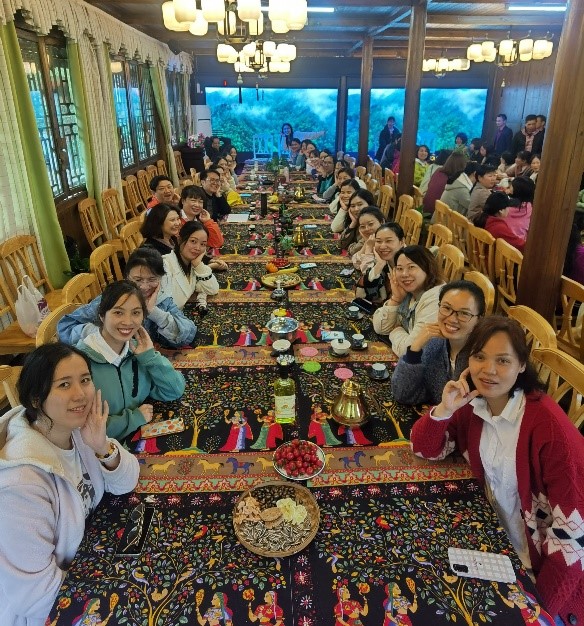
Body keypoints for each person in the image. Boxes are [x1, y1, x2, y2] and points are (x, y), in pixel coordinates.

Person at [410, 316, 584, 624]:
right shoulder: (475, 404)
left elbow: (572, 542)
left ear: (521, 366)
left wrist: (536, 612)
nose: (488, 370)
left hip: (540, 572)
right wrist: (445, 409)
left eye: (502, 360)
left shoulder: (550, 431)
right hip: (493, 540)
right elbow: (426, 448)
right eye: (479, 356)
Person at [0, 343, 139, 626]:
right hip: (54, 609)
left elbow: (127, 481)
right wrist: (105, 596)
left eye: (85, 380)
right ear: (36, 398)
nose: (80, 394)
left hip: (90, 564)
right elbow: (34, 594)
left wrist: (102, 447)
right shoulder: (20, 486)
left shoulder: (74, 431)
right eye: (64, 384)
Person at [76, 280, 185, 440]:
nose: (128, 322)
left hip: (136, 441)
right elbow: (83, 428)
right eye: (118, 313)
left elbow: (174, 391)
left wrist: (150, 357)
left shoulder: (137, 351)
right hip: (100, 449)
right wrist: (134, 418)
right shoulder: (79, 363)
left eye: (135, 313)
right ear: (102, 315)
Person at [58, 247, 197, 349]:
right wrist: (105, 334)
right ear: (127, 277)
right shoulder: (112, 299)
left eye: (152, 279)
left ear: (161, 278)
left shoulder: (162, 300)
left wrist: (153, 312)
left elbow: (188, 334)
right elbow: (65, 327)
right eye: (138, 280)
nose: (144, 287)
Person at [392, 280, 485, 405]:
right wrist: (415, 348)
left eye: (464, 313)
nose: (452, 319)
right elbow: (403, 394)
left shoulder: (483, 357)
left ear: (479, 319)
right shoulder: (434, 344)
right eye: (446, 308)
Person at [373, 245, 444, 357]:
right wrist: (396, 299)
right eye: (399, 269)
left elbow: (408, 351)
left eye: (411, 267)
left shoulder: (435, 300)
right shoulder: (410, 291)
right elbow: (381, 328)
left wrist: (396, 330)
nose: (404, 274)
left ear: (428, 268)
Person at [162, 220, 220, 311]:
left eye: (203, 244)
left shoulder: (192, 265)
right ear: (179, 240)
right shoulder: (165, 265)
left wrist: (198, 265)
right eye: (193, 241)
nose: (197, 248)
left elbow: (213, 289)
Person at [355, 222, 405, 306]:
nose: (382, 246)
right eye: (378, 241)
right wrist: (380, 265)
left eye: (388, 241)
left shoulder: (408, 265)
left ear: (402, 242)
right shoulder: (383, 261)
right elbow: (366, 288)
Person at [179, 185, 224, 249]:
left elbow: (217, 243)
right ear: (183, 201)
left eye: (200, 202)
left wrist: (208, 221)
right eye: (193, 200)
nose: (197, 205)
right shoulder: (176, 220)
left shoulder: (199, 222)